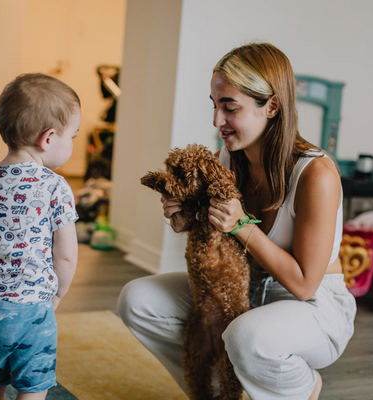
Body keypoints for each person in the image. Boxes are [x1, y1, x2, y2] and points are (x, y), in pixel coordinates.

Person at [117, 43, 356, 400]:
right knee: (137, 300)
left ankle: (301, 387)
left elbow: (305, 285)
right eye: (215, 106)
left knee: (246, 336)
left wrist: (242, 225)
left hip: (312, 306)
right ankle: (211, 393)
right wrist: (181, 217)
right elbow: (205, 229)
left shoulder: (316, 174)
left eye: (230, 108)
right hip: (244, 290)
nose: (216, 121)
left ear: (272, 106)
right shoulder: (230, 156)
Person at [0, 73, 80, 400]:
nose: (73, 143)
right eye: (73, 135)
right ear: (49, 138)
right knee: (33, 387)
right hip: (30, 308)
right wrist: (58, 293)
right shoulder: (55, 185)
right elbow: (67, 254)